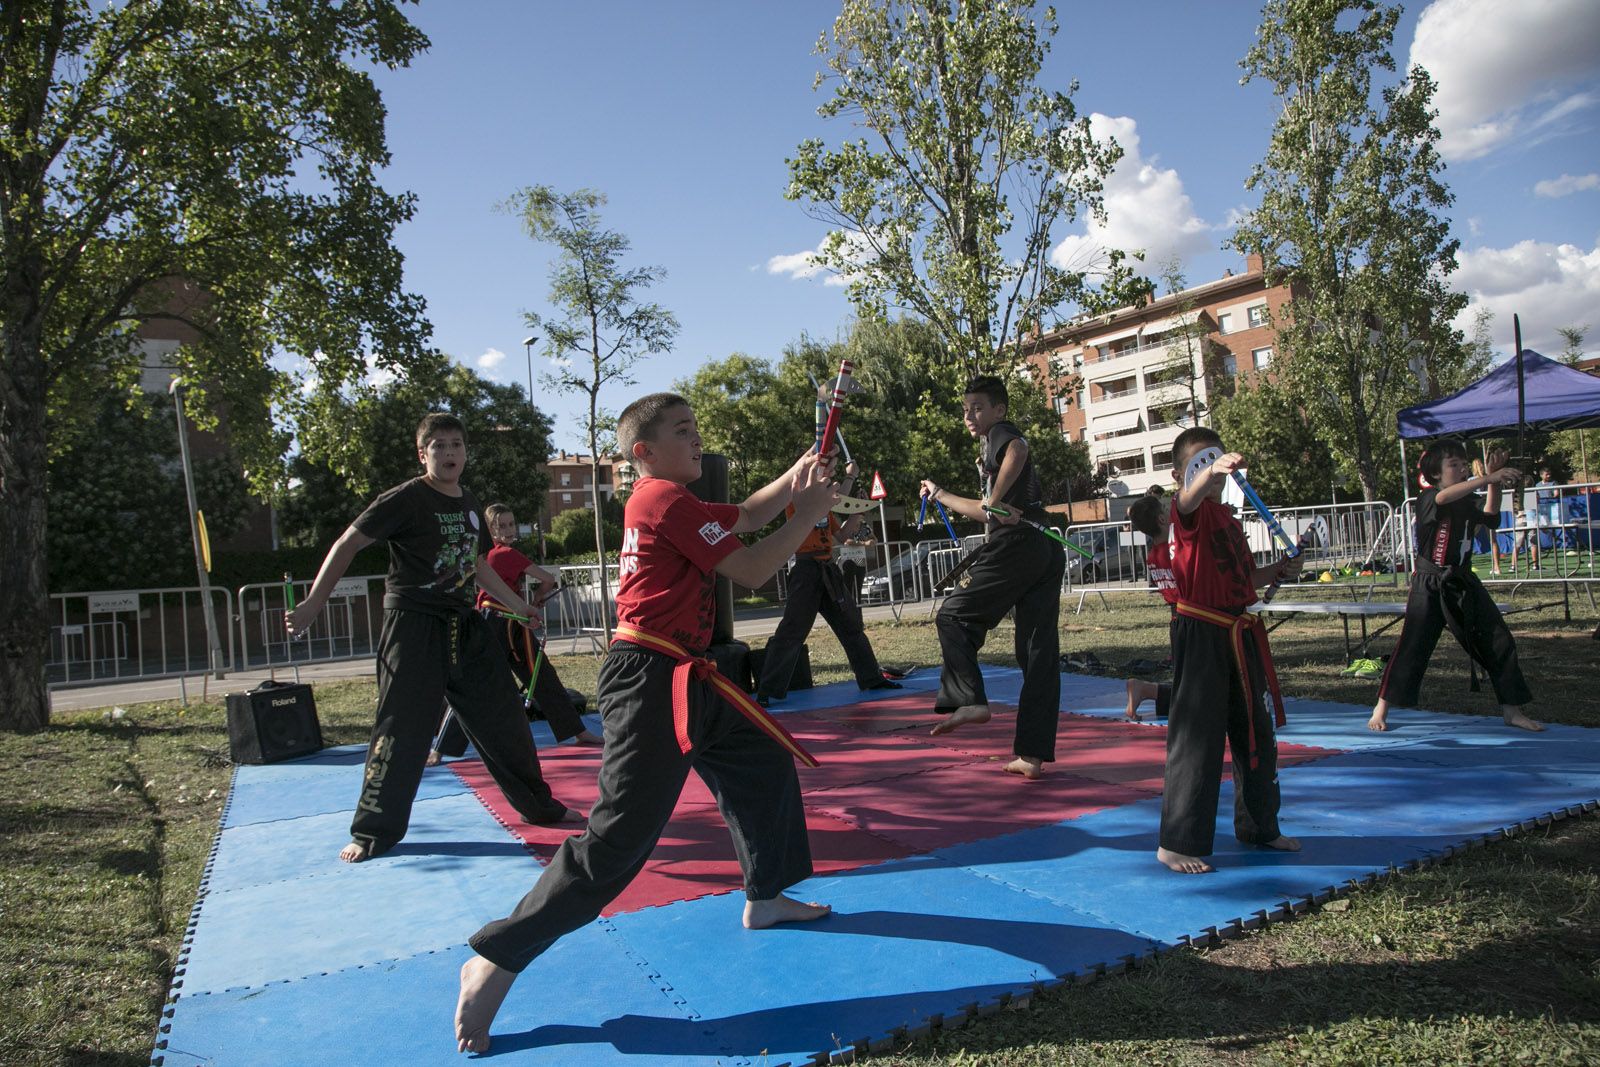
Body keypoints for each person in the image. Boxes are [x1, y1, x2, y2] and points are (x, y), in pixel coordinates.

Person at [455, 393, 839, 1053]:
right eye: (683, 431)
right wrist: (806, 514)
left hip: (689, 673)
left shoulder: (676, 503)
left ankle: (766, 894)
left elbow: (748, 513)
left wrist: (797, 474)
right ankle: (497, 954)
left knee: (760, 759)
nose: (697, 439)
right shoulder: (659, 499)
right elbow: (749, 566)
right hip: (649, 679)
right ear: (645, 453)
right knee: (615, 844)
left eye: (696, 430)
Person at [286, 413, 581, 865]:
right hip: (412, 622)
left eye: (456, 444)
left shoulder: (469, 502)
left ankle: (539, 806)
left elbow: (477, 565)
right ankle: (373, 831)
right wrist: (312, 603)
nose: (449, 453)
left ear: (466, 452)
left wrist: (519, 605)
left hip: (464, 623)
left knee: (505, 715)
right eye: (438, 446)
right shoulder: (406, 498)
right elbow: (347, 543)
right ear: (423, 454)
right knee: (401, 727)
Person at [1158, 427, 1302, 874]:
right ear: (1181, 473)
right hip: (1200, 630)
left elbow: (1244, 580)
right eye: (1199, 462)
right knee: (1197, 737)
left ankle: (1260, 825)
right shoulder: (1186, 514)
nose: (1212, 467)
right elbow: (1185, 501)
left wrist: (1280, 569)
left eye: (1216, 458)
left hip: (1239, 631)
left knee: (1255, 730)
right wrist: (1208, 472)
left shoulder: (1228, 520)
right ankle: (1177, 841)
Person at [917, 375, 1065, 781]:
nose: (969, 415)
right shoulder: (989, 447)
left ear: (998, 409)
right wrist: (946, 494)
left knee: (953, 615)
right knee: (1037, 653)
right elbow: (985, 510)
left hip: (1017, 546)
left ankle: (969, 699)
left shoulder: (1002, 434)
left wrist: (995, 501)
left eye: (977, 407)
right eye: (965, 409)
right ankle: (1031, 756)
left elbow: (1018, 449)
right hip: (1045, 547)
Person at [1369, 442, 1541, 733]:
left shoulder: (1468, 498)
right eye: (1454, 465)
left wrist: (1494, 480)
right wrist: (1487, 478)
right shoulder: (1428, 498)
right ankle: (1381, 707)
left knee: (1499, 639)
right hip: (1429, 583)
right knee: (1413, 646)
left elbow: (1490, 517)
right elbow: (1442, 499)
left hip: (1462, 581)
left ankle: (1512, 710)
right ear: (1435, 474)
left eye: (1463, 465)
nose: (1461, 469)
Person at [431, 503, 600, 761]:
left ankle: (441, 749)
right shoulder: (504, 555)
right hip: (501, 622)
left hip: (508, 620)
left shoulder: (486, 555)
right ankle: (576, 731)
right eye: (501, 526)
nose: (508, 530)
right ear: (490, 529)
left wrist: (528, 604)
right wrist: (537, 598)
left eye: (511, 524)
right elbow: (548, 579)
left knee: (538, 675)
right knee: (483, 681)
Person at [756, 460, 900, 706]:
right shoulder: (798, 500)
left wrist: (857, 514)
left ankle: (871, 677)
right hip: (806, 570)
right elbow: (834, 498)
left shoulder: (825, 511)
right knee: (792, 630)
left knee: (850, 624)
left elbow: (841, 536)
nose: (826, 481)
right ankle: (767, 690)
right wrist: (850, 478)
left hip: (827, 569)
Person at [1124, 492, 1176, 721]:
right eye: (1165, 510)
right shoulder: (1174, 552)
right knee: (1200, 685)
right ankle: (1145, 690)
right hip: (1191, 618)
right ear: (1162, 520)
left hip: (1177, 619)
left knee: (1193, 680)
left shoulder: (1153, 556)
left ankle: (1145, 690)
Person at [1470, 459, 1504, 575]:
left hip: (1477, 511)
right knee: (1493, 540)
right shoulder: (1487, 479)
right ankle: (1497, 567)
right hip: (1486, 509)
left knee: (1469, 538)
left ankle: (1468, 565)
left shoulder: (1471, 481)